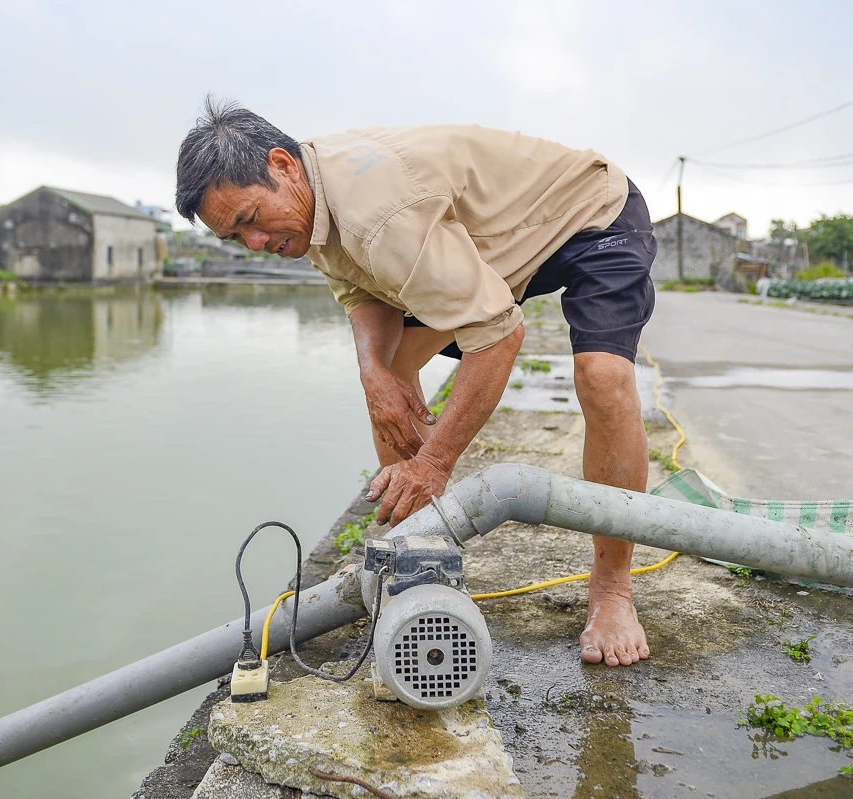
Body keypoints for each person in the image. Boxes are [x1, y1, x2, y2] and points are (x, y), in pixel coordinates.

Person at [175, 99, 657, 668]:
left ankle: (612, 589)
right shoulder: (307, 209)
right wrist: (373, 373)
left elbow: (498, 335)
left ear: (282, 166)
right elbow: (364, 295)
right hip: (492, 249)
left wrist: (434, 463)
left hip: (588, 214)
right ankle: (417, 557)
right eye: (237, 238)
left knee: (602, 376)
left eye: (252, 219)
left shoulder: (378, 212)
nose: (256, 243)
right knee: (392, 375)